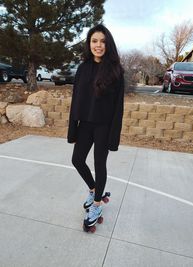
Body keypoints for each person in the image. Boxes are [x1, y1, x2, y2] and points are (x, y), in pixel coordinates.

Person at [67, 24, 124, 228]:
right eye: (94, 41)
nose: (98, 45)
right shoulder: (83, 68)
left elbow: (118, 107)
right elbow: (76, 100)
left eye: (102, 41)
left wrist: (113, 135)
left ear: (108, 44)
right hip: (85, 124)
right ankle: (93, 189)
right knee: (77, 160)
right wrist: (73, 128)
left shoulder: (116, 70)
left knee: (100, 165)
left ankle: (97, 204)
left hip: (104, 127)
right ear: (89, 44)